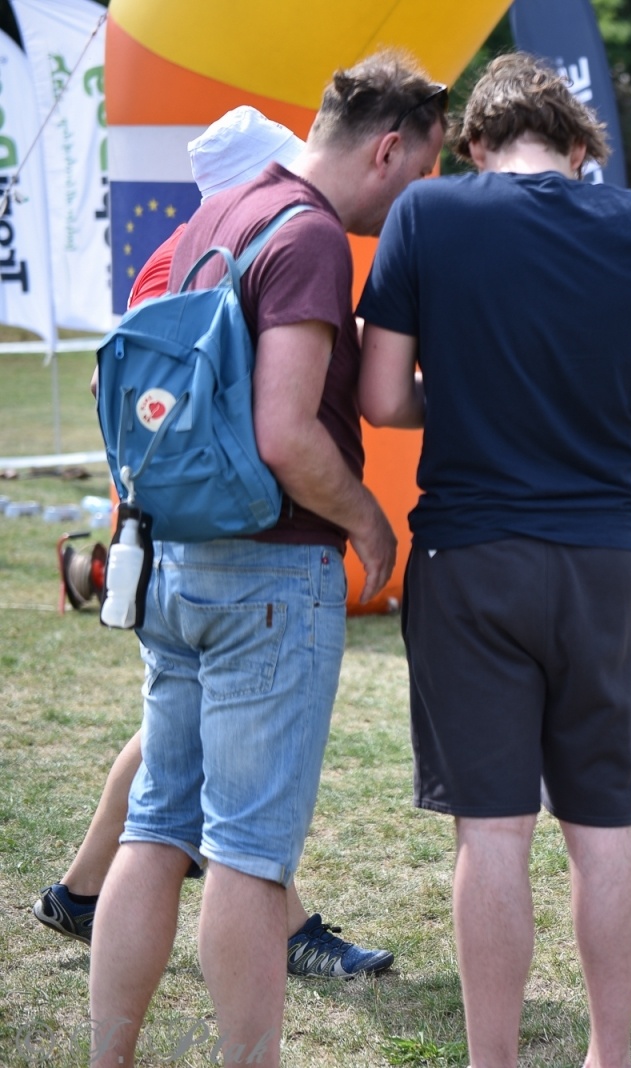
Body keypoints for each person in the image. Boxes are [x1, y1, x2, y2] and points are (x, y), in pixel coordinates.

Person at [357, 54, 631, 1068]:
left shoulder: (427, 216)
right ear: (577, 148)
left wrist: (473, 398)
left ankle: (495, 1061)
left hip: (470, 556)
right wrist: (601, 400)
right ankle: (610, 1052)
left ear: (476, 142)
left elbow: (383, 399)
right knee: (603, 821)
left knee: (494, 830)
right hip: (602, 556)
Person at [87, 55, 446, 1068]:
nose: (411, 195)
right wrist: (373, 525)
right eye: (417, 170)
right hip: (272, 573)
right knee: (247, 852)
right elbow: (288, 433)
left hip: (181, 558)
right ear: (388, 147)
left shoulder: (221, 214)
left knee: (157, 828)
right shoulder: (313, 235)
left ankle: (106, 1056)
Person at [36, 106, 392, 981]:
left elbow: (110, 378)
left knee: (172, 783)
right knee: (238, 821)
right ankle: (279, 925)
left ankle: (83, 893)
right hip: (244, 537)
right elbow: (280, 427)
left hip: (172, 528)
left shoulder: (185, 250)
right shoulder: (278, 242)